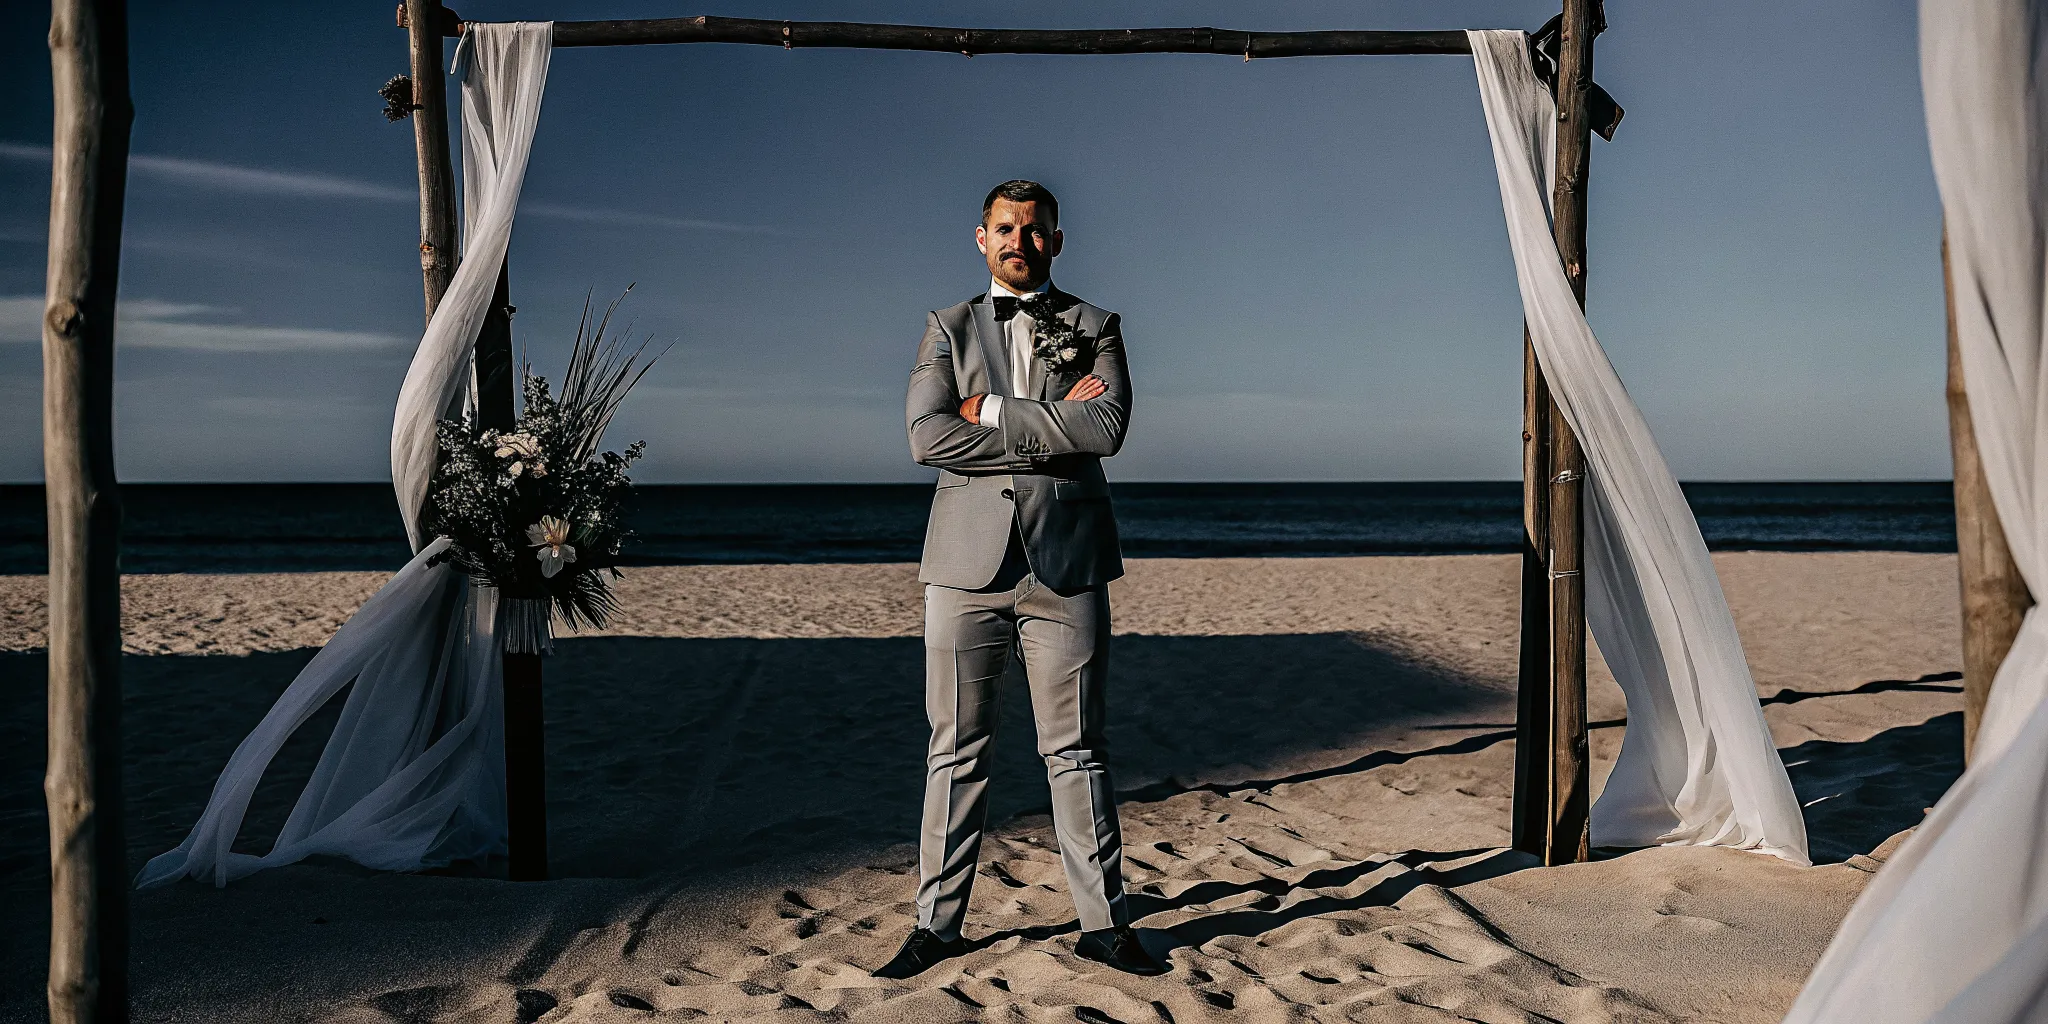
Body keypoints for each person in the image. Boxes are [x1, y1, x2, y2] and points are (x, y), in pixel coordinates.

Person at [876, 179, 1165, 979]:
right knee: (955, 749)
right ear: (981, 238)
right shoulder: (947, 324)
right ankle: (936, 927)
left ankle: (1104, 925)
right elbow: (926, 437)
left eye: (1035, 231)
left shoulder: (1096, 325)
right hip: (964, 570)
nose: (1020, 242)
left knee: (1077, 750)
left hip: (1066, 567)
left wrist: (995, 412)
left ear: (1057, 240)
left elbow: (1105, 428)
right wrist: (1049, 427)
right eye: (1006, 229)